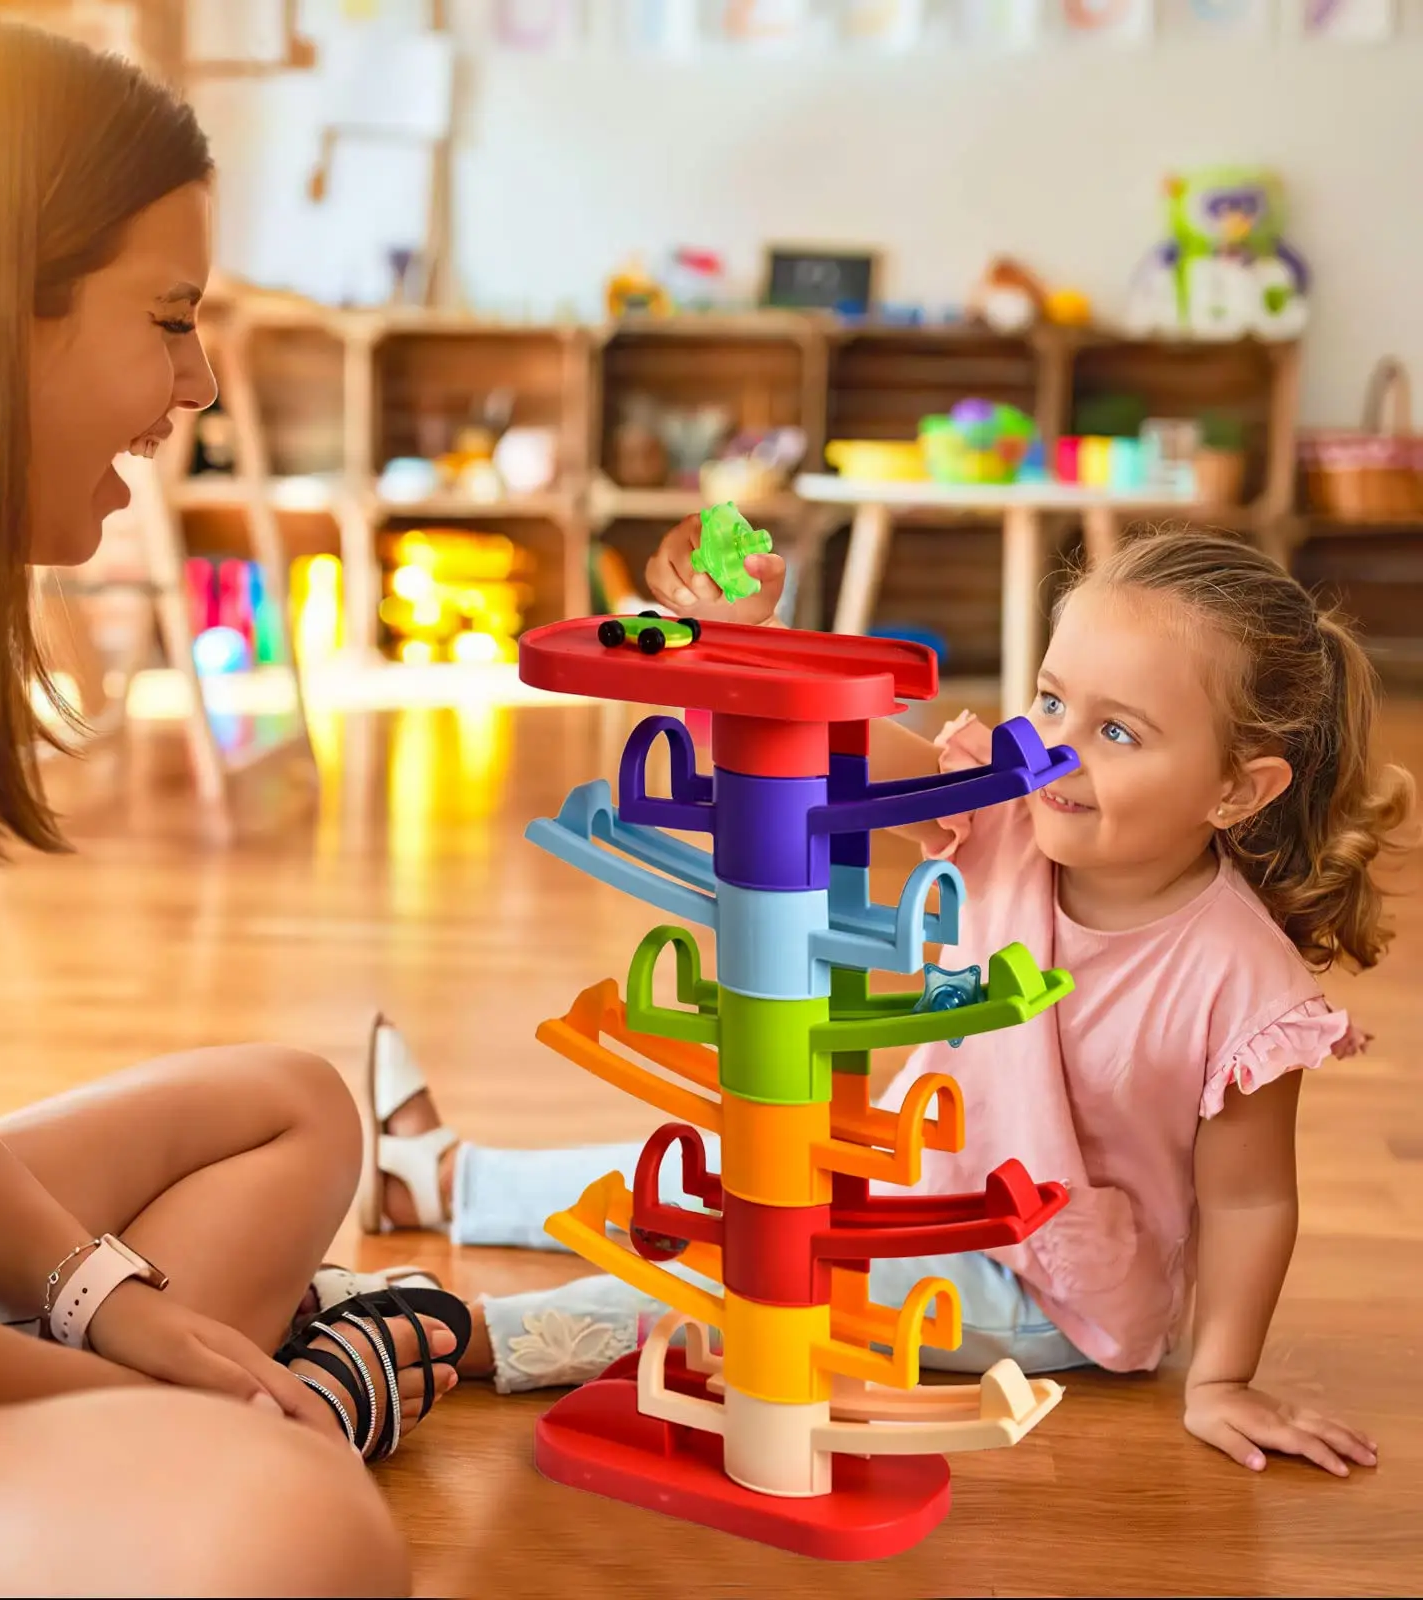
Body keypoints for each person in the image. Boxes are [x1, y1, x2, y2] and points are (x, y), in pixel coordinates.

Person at [0, 11, 468, 1595]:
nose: (196, 385)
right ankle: (274, 1400)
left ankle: (224, 1398)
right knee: (297, 1523)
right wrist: (203, 1422)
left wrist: (109, 1296)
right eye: (169, 320)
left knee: (296, 1104)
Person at [365, 517, 1412, 1479]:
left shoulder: (1242, 981)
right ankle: (443, 1182)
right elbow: (831, 748)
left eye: (1118, 732)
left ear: (1237, 788)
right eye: (1049, 700)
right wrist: (738, 639)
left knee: (768, 1287)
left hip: (1042, 1289)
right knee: (718, 1173)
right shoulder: (1007, 810)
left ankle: (461, 1329)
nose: (1054, 746)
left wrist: (1219, 1377)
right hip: (901, 1177)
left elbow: (1247, 1201)